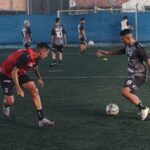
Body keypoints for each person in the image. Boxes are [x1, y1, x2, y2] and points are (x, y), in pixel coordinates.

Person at [97, 29, 150, 121]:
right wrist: (107, 53)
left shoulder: (138, 48)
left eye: (123, 39)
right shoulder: (128, 46)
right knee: (127, 93)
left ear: (128, 38)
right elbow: (121, 51)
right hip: (132, 74)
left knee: (125, 91)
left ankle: (144, 109)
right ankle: (143, 109)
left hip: (139, 75)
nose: (122, 41)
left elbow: (148, 61)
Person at [0, 42, 55, 127]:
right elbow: (13, 72)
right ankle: (5, 104)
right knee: (10, 102)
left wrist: (39, 78)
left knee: (34, 89)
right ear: (41, 52)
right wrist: (19, 89)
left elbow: (35, 66)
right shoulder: (26, 56)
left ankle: (41, 119)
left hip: (20, 72)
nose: (47, 56)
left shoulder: (36, 56)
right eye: (46, 53)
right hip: (6, 74)